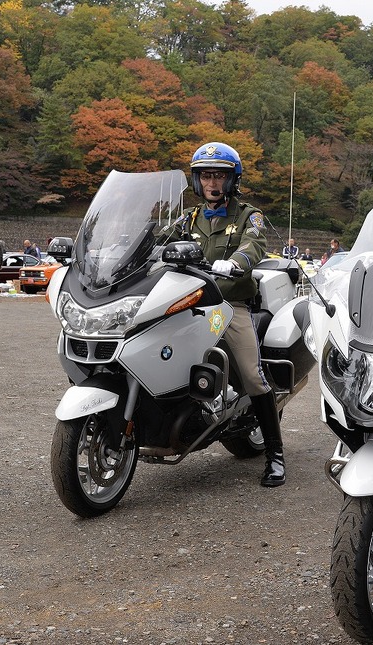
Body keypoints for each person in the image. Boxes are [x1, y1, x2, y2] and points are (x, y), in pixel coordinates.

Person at [163, 141, 286, 487]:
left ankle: (275, 455)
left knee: (251, 375)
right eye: (205, 176)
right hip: (188, 303)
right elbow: (159, 242)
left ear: (232, 180)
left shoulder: (249, 215)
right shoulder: (189, 219)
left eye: (219, 176)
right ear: (196, 181)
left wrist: (235, 263)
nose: (212, 183)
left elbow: (255, 244)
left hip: (229, 305)